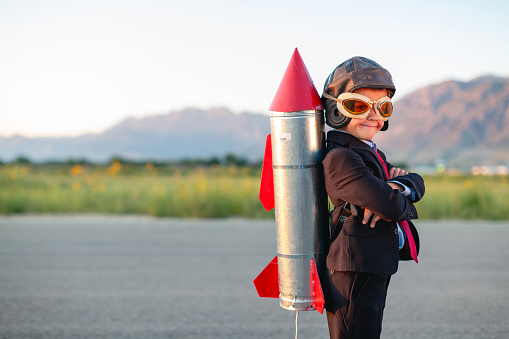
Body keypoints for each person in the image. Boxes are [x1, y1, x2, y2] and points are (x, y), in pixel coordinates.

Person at [320, 56, 425, 339]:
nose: (373, 115)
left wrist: (395, 186)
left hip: (371, 262)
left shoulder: (369, 153)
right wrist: (391, 195)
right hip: (354, 267)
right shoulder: (341, 157)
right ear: (336, 108)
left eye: (383, 107)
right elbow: (390, 207)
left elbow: (416, 182)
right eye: (359, 105)